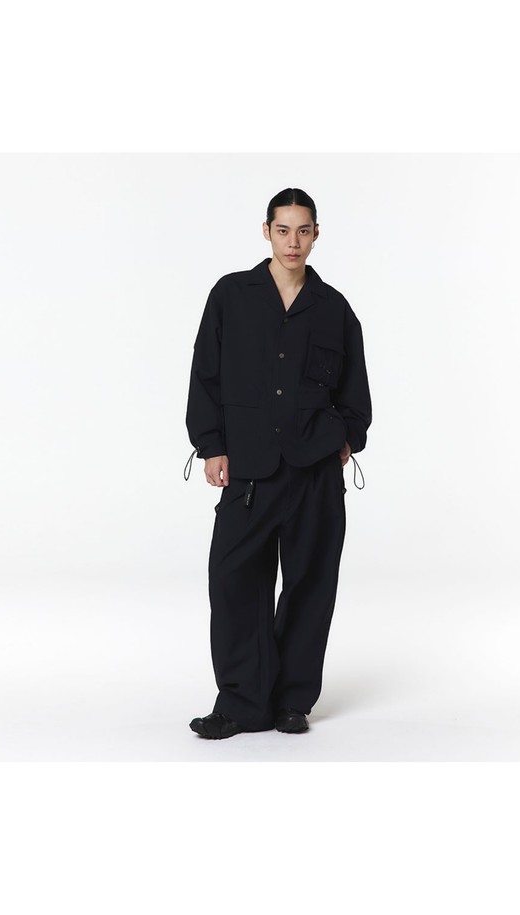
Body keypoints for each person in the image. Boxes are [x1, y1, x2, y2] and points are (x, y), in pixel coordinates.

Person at [184, 187, 372, 739]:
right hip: (248, 469)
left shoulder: (334, 308)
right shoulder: (232, 295)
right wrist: (211, 444)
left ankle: (292, 700)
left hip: (314, 471)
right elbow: (205, 373)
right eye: (283, 230)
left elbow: (355, 388)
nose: (293, 242)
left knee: (311, 585)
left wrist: (348, 436)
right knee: (235, 582)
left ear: (316, 235)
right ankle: (242, 704)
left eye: (303, 231)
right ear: (266, 231)